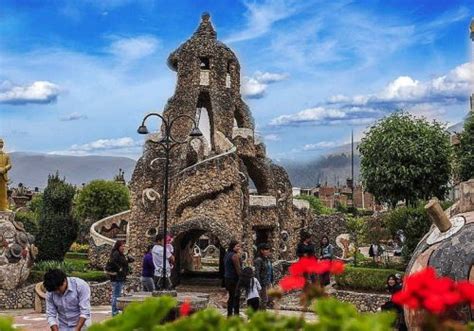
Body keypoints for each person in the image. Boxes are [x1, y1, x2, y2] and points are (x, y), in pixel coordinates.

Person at [106, 240, 133, 316]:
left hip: (120, 277)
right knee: (116, 295)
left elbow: (124, 262)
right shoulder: (116, 254)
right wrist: (119, 268)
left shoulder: (120, 254)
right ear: (118, 246)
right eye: (122, 246)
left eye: (124, 246)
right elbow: (113, 262)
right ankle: (114, 312)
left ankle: (115, 311)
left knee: (117, 295)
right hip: (117, 278)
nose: (123, 247)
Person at [224, 240, 242, 317]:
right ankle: (236, 314)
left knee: (231, 297)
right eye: (237, 246)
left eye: (239, 246)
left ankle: (229, 314)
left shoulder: (227, 254)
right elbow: (238, 270)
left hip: (227, 278)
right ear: (233, 246)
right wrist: (242, 278)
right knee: (236, 297)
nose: (238, 248)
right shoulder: (234, 256)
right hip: (234, 279)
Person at [253, 243, 273, 309]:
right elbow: (257, 272)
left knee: (269, 299)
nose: (268, 251)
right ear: (261, 251)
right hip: (262, 283)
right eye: (266, 249)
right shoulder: (258, 260)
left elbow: (269, 270)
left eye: (268, 249)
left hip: (268, 281)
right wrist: (258, 284)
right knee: (264, 300)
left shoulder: (267, 259)